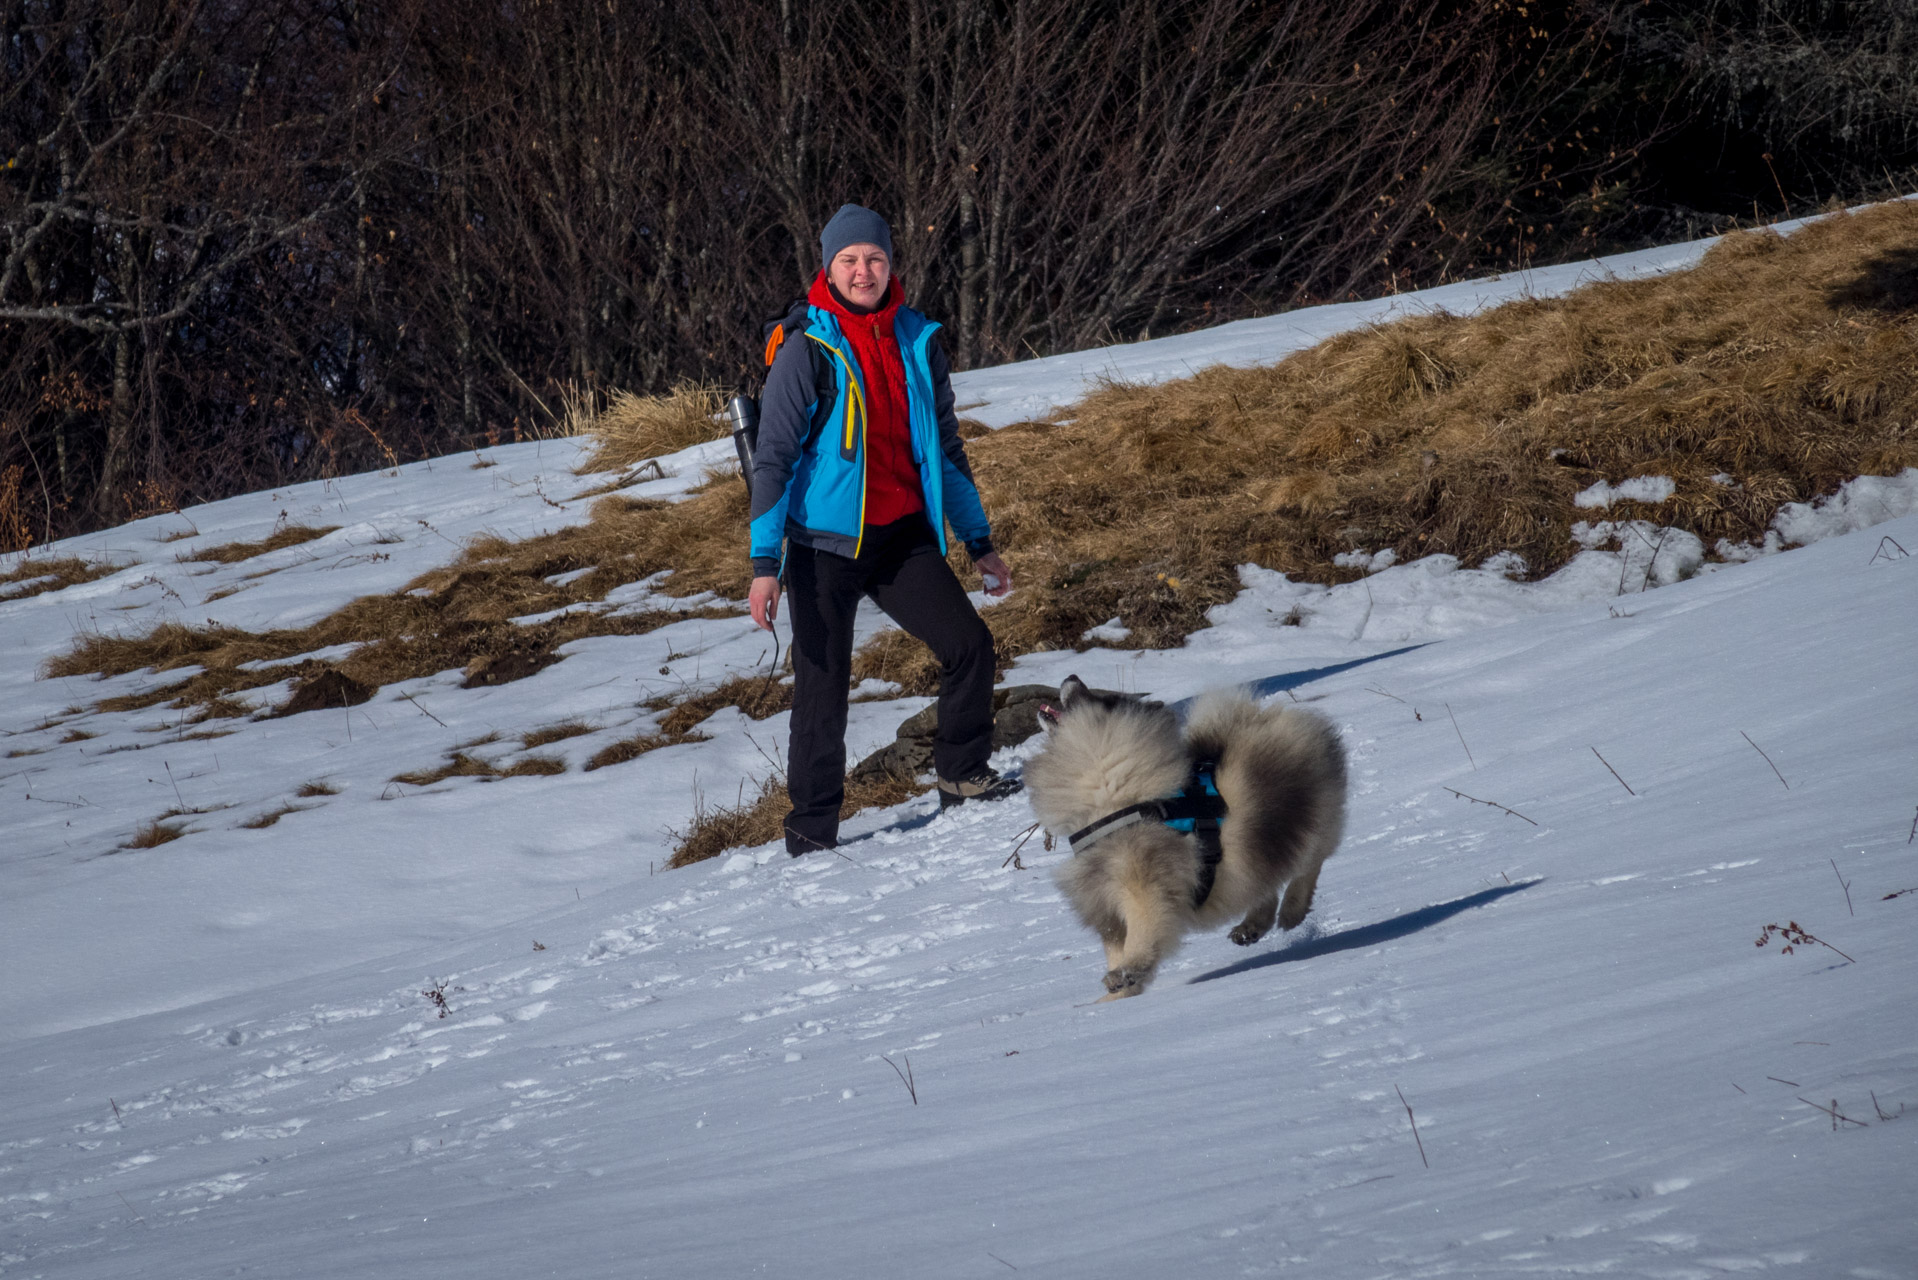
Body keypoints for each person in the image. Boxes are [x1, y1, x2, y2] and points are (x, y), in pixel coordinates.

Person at [748, 203, 1017, 857]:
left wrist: (979, 541)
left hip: (901, 535)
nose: (863, 270)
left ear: (891, 263)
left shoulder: (918, 340)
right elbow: (774, 459)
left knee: (970, 646)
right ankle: (812, 831)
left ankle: (961, 773)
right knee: (823, 688)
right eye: (849, 260)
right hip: (821, 547)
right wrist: (765, 565)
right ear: (829, 268)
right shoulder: (808, 349)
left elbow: (946, 450)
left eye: (873, 257)